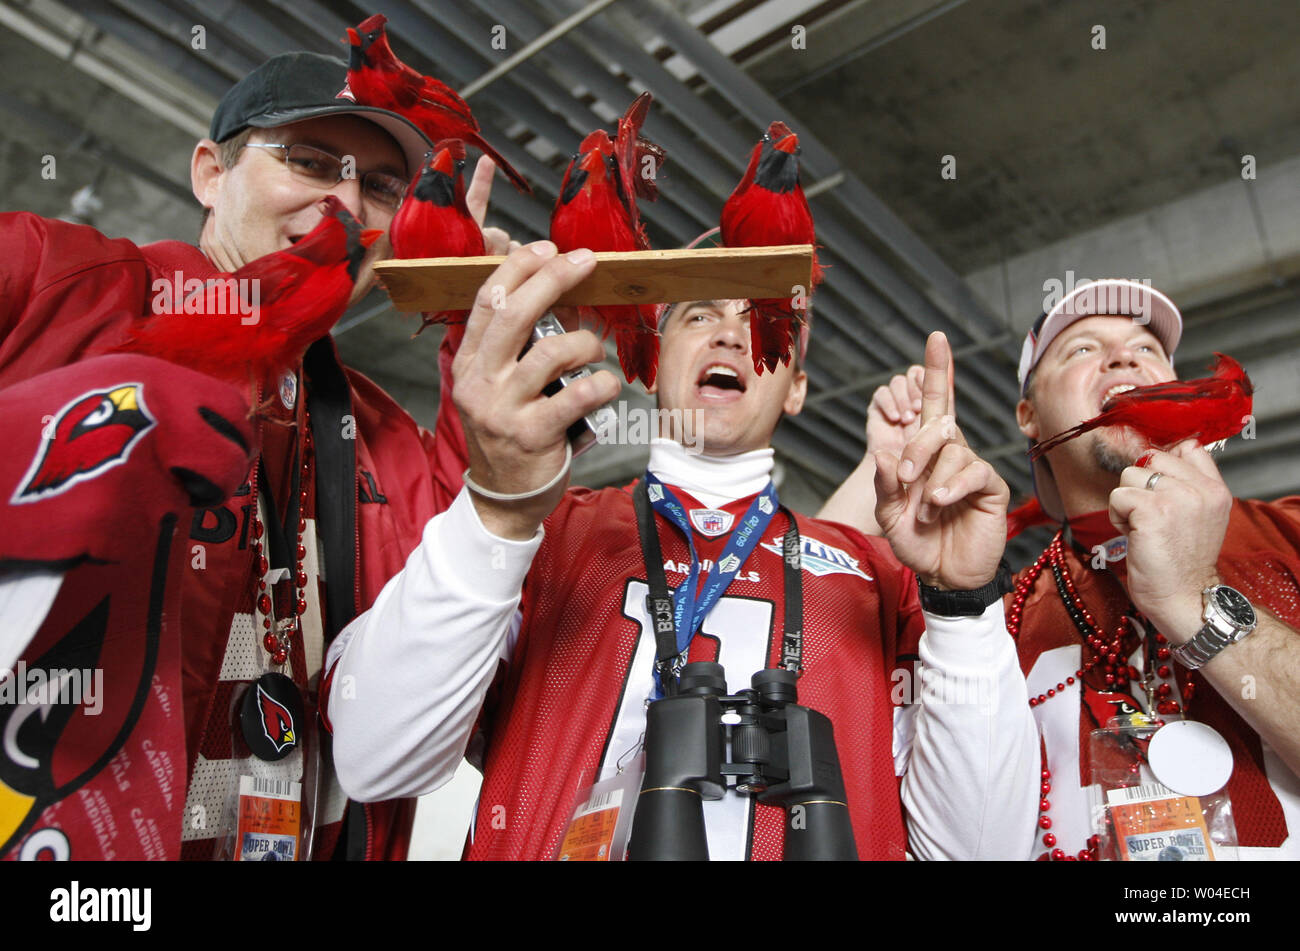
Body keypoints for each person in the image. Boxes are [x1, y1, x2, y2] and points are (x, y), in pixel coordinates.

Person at [324, 240, 1041, 860]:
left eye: (762, 322)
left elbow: (983, 848)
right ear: (650, 359)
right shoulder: (541, 533)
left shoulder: (881, 576)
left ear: (795, 388)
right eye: (699, 313)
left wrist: (964, 606)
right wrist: (496, 507)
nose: (731, 335)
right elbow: (373, 756)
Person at [0, 51, 497, 860]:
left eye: (379, 187)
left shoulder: (389, 439)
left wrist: (487, 345)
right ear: (209, 173)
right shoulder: (47, 281)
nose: (343, 201)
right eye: (308, 160)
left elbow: (468, 651)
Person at [828, 278, 1300, 860]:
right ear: (1029, 414)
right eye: (1082, 348)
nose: (1125, 355)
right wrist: (957, 600)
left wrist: (1194, 597)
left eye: (1147, 349)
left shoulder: (1291, 533)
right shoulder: (999, 620)